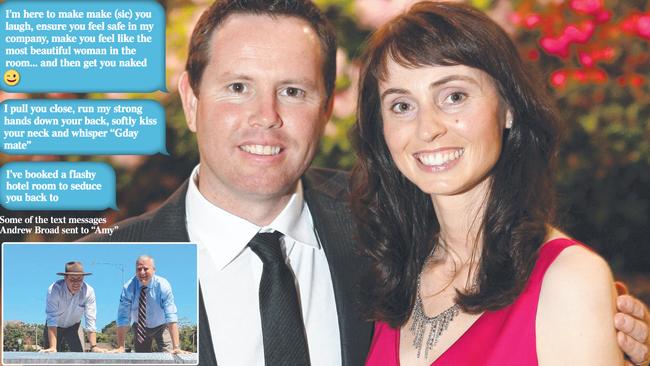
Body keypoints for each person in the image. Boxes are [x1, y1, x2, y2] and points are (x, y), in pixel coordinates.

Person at [81, 1, 650, 365]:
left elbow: (526, 282)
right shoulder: (107, 271)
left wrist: (599, 316)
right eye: (237, 88)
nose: (266, 116)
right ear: (189, 99)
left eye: (294, 91)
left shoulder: (380, 229)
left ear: (326, 108)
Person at [350, 2, 644, 365]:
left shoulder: (568, 281)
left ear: (508, 108)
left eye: (454, 97)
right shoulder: (392, 276)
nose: (428, 128)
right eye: (401, 106)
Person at [111, 255, 185, 354]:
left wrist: (176, 346)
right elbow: (123, 317)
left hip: (162, 326)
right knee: (141, 359)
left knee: (169, 356)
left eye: (145, 269)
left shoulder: (163, 285)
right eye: (139, 269)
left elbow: (171, 315)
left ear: (154, 270)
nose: (142, 272)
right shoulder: (128, 288)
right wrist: (120, 346)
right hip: (140, 327)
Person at [41, 261, 104, 353]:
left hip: (74, 327)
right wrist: (52, 347)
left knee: (80, 356)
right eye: (72, 279)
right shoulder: (54, 290)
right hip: (54, 326)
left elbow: (90, 319)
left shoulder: (89, 292)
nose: (76, 283)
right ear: (65, 278)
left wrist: (94, 346)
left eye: (79, 279)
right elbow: (52, 318)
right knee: (50, 355)